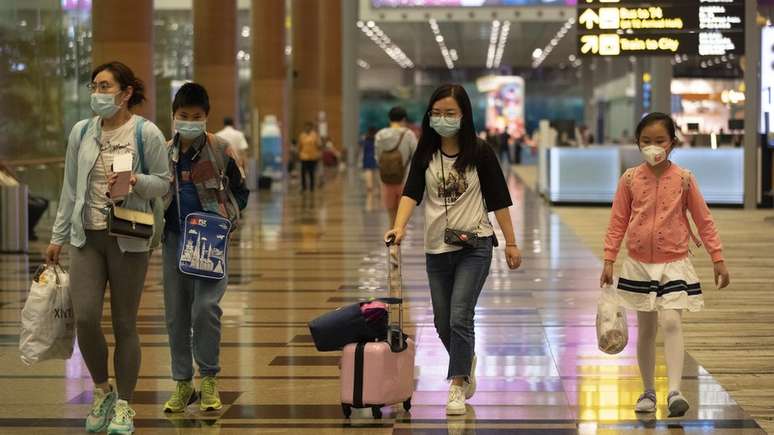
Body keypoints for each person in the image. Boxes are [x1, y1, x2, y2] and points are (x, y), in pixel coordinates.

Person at [46, 61, 169, 434]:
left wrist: (136, 181)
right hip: (87, 237)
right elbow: (69, 188)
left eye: (104, 86)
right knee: (85, 317)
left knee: (124, 323)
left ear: (126, 92)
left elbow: (163, 183)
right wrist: (57, 235)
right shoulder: (82, 131)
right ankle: (102, 391)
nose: (97, 93)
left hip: (128, 237)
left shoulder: (145, 132)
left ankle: (125, 405)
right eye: (94, 86)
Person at [384, 84, 523, 416]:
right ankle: (466, 359)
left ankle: (457, 384)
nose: (443, 119)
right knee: (442, 321)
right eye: (437, 113)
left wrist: (511, 242)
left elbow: (499, 199)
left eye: (450, 113)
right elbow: (411, 193)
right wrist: (399, 226)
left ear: (464, 116)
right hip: (436, 248)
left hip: (474, 244)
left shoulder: (480, 152)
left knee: (460, 316)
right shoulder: (425, 153)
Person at [600, 112, 730, 418]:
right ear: (637, 143)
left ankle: (674, 391)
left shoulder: (684, 179)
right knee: (646, 330)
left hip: (674, 263)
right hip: (638, 265)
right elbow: (618, 221)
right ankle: (647, 391)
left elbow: (704, 220)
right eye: (646, 141)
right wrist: (609, 257)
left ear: (671, 143)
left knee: (671, 322)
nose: (653, 147)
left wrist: (717, 258)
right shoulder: (630, 178)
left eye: (660, 140)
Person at [161, 83, 249, 414]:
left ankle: (209, 377)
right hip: (173, 240)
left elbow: (241, 191)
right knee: (177, 314)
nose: (189, 122)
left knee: (205, 309)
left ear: (206, 117)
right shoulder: (164, 151)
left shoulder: (221, 150)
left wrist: (228, 220)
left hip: (209, 240)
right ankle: (183, 383)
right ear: (174, 116)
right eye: (183, 116)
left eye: (196, 117)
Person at [375, 106, 418, 227]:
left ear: (389, 118)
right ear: (404, 119)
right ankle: (399, 235)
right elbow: (416, 155)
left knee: (391, 214)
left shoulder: (380, 135)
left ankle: (392, 235)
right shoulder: (409, 134)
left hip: (386, 179)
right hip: (405, 179)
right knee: (402, 215)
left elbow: (378, 157)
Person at [0, 161, 49, 241]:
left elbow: (19, 185)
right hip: (11, 200)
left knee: (44, 202)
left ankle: (29, 228)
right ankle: (28, 230)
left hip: (21, 197)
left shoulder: (7, 174)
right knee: (34, 207)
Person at [298, 122, 321, 192]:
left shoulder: (315, 135)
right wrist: (298, 154)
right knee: (303, 173)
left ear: (311, 127)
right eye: (306, 127)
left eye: (309, 127)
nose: (307, 128)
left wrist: (319, 154)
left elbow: (319, 145)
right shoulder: (302, 136)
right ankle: (304, 187)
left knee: (311, 173)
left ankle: (312, 187)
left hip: (312, 157)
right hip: (304, 157)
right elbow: (300, 146)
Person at [360, 127, 378, 192]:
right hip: (375, 159)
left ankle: (369, 188)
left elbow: (362, 149)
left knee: (368, 173)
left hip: (367, 159)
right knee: (376, 175)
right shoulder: (377, 140)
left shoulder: (365, 140)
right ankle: (376, 189)